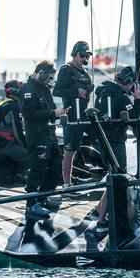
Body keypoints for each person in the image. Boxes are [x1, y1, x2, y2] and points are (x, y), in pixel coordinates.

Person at [91, 66, 140, 233]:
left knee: (112, 175)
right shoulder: (122, 98)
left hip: (102, 141)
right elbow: (134, 120)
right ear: (128, 83)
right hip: (115, 142)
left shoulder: (101, 92)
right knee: (118, 178)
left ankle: (98, 209)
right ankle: (101, 222)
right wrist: (139, 99)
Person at [21, 60, 68, 220]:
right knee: (38, 170)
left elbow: (49, 110)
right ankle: (31, 204)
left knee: (56, 170)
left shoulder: (45, 90)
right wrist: (52, 113)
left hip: (50, 135)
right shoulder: (27, 89)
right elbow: (29, 115)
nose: (50, 80)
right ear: (40, 72)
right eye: (48, 77)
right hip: (37, 135)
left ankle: (43, 197)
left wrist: (55, 113)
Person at [53, 41, 95, 187]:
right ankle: (66, 183)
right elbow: (56, 90)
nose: (84, 58)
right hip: (71, 116)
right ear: (74, 54)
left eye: (86, 56)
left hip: (84, 115)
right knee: (69, 150)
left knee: (99, 140)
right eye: (81, 55)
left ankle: (109, 175)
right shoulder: (66, 69)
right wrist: (76, 92)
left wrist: (88, 89)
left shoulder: (84, 72)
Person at [0, 80, 31, 177]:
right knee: (31, 155)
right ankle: (22, 178)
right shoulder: (13, 106)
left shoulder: (2, 104)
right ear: (16, 91)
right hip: (5, 146)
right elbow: (18, 132)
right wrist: (27, 145)